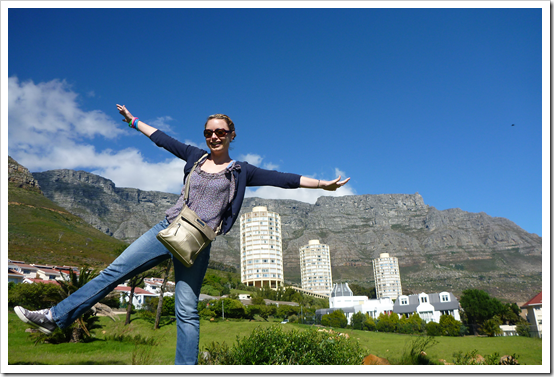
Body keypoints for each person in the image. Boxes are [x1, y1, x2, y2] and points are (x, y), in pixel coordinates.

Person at [14, 104, 351, 365]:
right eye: (208, 132)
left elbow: (284, 179)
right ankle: (53, 317)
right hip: (167, 228)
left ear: (232, 135)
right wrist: (133, 121)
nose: (214, 137)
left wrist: (323, 184)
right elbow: (163, 139)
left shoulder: (242, 171)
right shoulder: (194, 156)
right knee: (114, 272)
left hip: (196, 243)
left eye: (220, 132)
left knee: (187, 309)